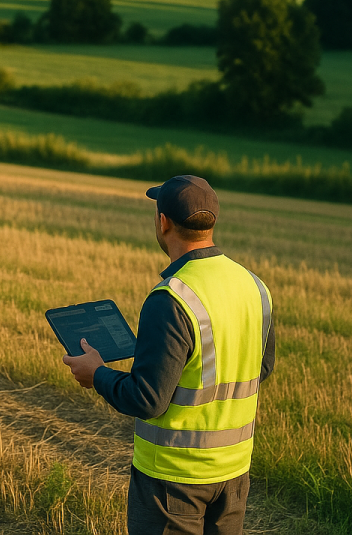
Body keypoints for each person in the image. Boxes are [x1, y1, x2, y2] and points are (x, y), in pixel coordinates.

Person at [62, 174, 274, 535]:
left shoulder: (171, 298)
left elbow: (147, 399)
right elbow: (261, 368)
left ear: (163, 222)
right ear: (211, 222)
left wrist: (96, 373)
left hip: (173, 479)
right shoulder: (254, 285)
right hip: (234, 474)